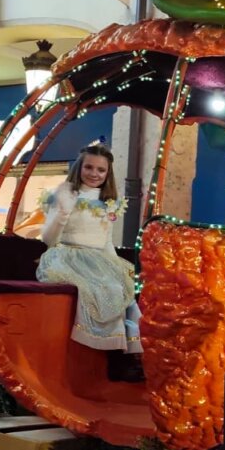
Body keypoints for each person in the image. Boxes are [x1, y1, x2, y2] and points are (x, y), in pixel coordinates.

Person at [37, 142, 142, 380]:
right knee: (105, 289)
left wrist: (117, 268)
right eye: (89, 167)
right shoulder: (65, 194)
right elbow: (49, 239)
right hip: (68, 255)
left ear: (108, 173)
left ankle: (126, 356)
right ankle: (115, 357)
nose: (94, 174)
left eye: (101, 170)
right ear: (79, 167)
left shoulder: (109, 202)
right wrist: (62, 213)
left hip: (98, 258)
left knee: (123, 289)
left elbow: (105, 240)